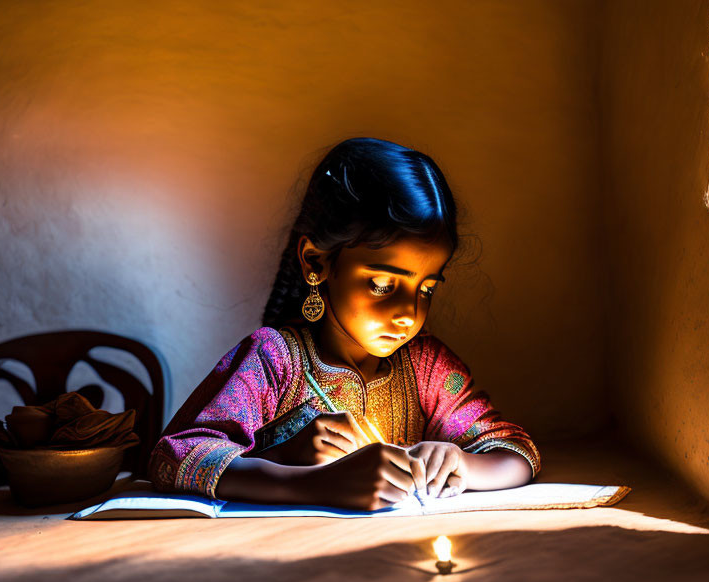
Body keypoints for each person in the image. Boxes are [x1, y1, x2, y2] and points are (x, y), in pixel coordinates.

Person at [148, 137, 539, 510]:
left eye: (426, 289)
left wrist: (461, 463)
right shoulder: (274, 359)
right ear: (316, 262)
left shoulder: (428, 368)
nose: (408, 313)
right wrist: (301, 472)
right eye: (383, 284)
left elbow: (516, 452)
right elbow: (175, 457)